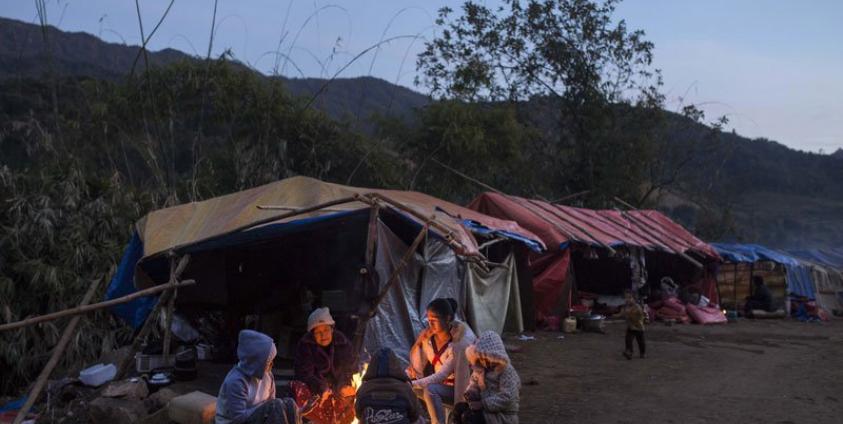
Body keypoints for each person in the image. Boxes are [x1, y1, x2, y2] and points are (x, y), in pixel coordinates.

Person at [408, 298, 476, 424]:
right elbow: (416, 367)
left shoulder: (459, 344)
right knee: (408, 388)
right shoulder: (427, 339)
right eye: (429, 320)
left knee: (429, 389)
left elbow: (442, 375)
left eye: (434, 320)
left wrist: (414, 383)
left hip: (460, 390)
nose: (430, 324)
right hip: (439, 385)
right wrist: (406, 378)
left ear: (448, 318)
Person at [215, 329, 300, 424]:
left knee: (289, 403)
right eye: (268, 361)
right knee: (274, 405)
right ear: (257, 361)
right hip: (234, 422)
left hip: (259, 418)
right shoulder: (236, 381)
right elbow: (238, 418)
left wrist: (300, 411)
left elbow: (274, 406)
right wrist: (265, 408)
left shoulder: (267, 375)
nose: (272, 364)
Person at [292, 307, 357, 424]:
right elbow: (304, 373)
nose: (323, 335)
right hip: (316, 386)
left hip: (339, 384)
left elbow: (350, 367)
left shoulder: (342, 342)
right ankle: (316, 419)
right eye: (318, 332)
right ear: (312, 334)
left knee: (352, 392)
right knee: (300, 388)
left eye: (326, 330)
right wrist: (321, 386)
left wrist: (343, 384)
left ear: (332, 329)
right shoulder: (305, 345)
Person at [453, 331, 520, 424]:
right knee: (459, 409)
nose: (485, 362)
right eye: (481, 358)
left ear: (496, 356)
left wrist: (482, 404)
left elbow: (507, 397)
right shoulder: (481, 369)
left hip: (502, 413)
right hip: (484, 407)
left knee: (470, 418)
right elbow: (474, 382)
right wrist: (472, 391)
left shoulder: (506, 371)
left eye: (488, 358)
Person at [355, 348, 421, 424]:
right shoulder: (405, 388)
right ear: (396, 366)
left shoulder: (364, 388)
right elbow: (414, 415)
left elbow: (358, 414)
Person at [615, 291, 646, 360]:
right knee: (628, 340)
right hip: (631, 326)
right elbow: (621, 314)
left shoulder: (637, 307)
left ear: (634, 299)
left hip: (638, 327)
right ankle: (629, 352)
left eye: (630, 297)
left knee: (641, 341)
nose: (627, 299)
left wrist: (627, 313)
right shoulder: (626, 307)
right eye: (626, 298)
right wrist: (615, 315)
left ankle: (642, 353)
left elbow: (638, 313)